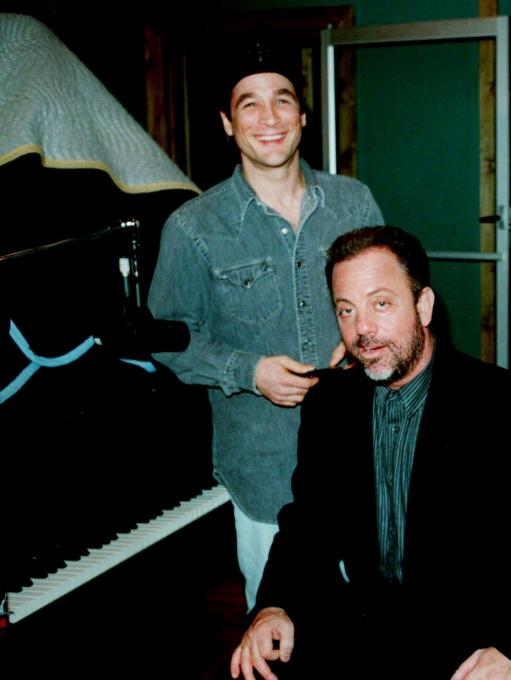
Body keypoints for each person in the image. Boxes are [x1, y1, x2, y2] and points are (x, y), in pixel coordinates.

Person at [230, 226, 511, 680]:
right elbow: (307, 525)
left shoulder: (507, 406)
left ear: (423, 306)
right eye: (346, 310)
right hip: (369, 627)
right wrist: (275, 604)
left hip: (477, 637)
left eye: (381, 303)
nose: (361, 328)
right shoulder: (331, 404)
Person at [148, 39, 383, 610]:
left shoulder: (355, 203)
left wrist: (361, 346)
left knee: (377, 619)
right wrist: (249, 371)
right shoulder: (191, 226)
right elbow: (167, 338)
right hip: (263, 471)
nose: (270, 118)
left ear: (303, 115)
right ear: (227, 123)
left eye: (282, 100)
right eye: (249, 104)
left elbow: (386, 300)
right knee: (282, 627)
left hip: (364, 456)